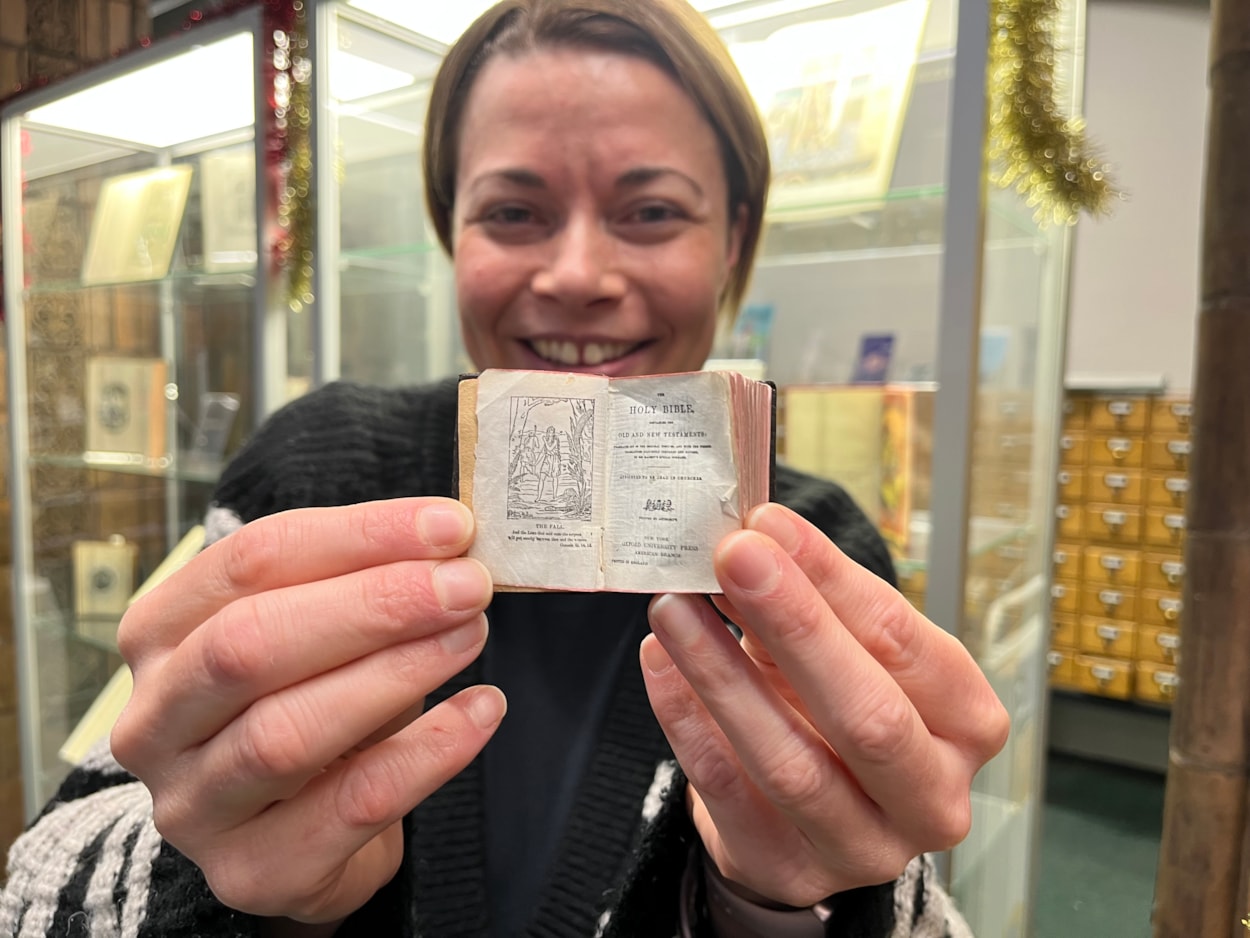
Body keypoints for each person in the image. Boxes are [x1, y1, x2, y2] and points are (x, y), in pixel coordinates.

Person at [0, 1, 1008, 935]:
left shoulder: (812, 543)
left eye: (651, 210)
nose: (574, 275)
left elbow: (894, 895)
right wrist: (227, 876)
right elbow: (44, 868)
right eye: (513, 213)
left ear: (732, 239)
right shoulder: (314, 471)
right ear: (451, 231)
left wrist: (779, 901)